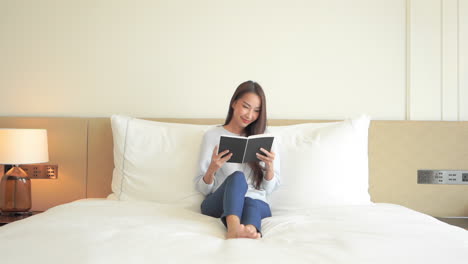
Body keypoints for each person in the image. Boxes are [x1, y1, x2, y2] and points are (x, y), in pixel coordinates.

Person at [194, 80, 280, 239]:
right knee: (237, 178)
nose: (249, 115)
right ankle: (233, 229)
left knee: (251, 201)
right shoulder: (212, 135)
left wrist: (269, 167)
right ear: (234, 103)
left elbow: (269, 190)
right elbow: (202, 188)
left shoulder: (266, 138)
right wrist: (212, 169)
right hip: (218, 203)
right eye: (246, 106)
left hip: (256, 203)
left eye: (256, 110)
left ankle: (249, 230)